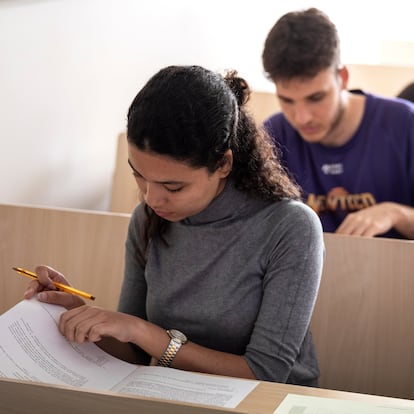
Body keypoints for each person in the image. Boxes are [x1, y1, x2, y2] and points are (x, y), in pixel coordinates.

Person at [23, 65, 324, 386]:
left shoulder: (289, 226)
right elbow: (134, 354)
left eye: (173, 187)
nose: (152, 199)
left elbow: (265, 373)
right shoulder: (148, 220)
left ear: (223, 164)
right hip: (178, 396)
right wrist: (78, 315)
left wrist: (147, 334)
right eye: (138, 175)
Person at [262, 8, 414, 239]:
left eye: (316, 98)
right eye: (287, 101)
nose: (302, 117)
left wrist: (396, 214)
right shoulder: (271, 138)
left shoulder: (404, 123)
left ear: (342, 78)